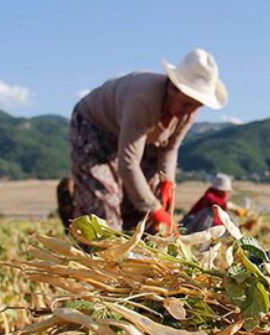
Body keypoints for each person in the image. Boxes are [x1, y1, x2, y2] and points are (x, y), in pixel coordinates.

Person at [57, 49, 227, 234]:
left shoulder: (188, 110)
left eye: (196, 107)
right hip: (96, 126)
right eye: (186, 104)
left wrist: (167, 180)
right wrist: (153, 208)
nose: (189, 112)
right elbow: (128, 164)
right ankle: (84, 227)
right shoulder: (143, 99)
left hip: (139, 137)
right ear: (171, 87)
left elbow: (170, 148)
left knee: (144, 199)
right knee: (104, 202)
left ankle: (135, 246)